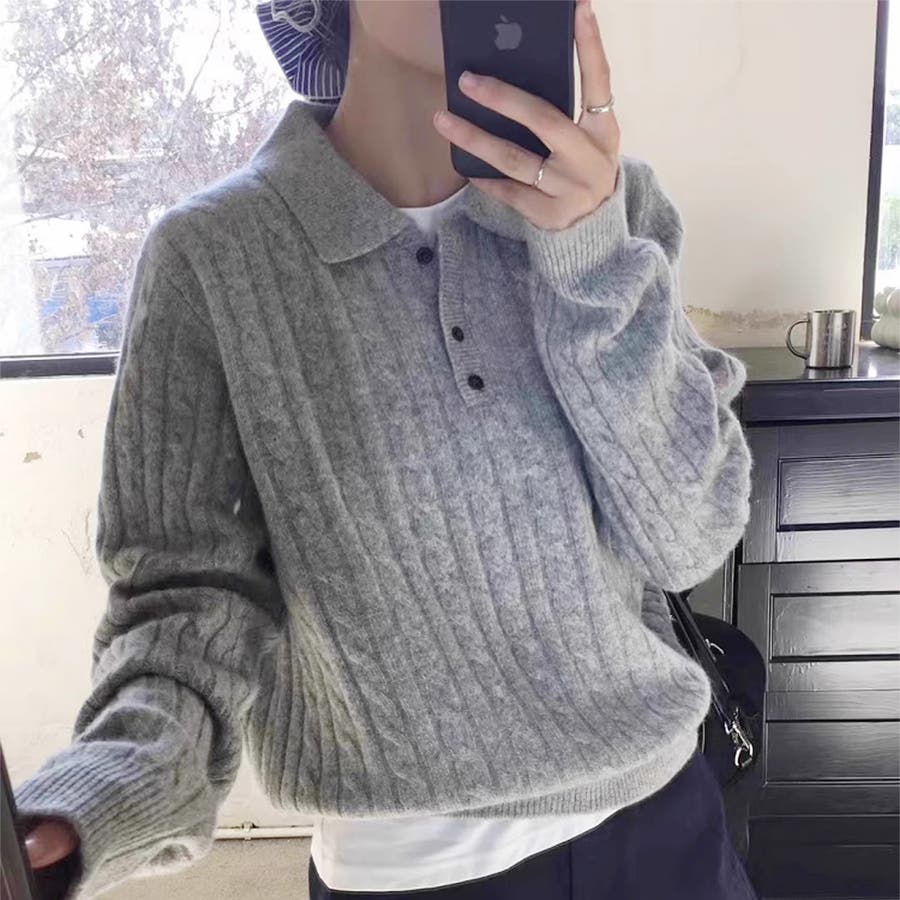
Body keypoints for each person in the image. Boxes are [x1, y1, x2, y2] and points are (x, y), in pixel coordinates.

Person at [14, 0, 759, 898]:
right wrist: (97, 798)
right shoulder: (213, 258)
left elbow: (688, 541)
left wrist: (591, 258)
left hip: (666, 827)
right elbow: (184, 603)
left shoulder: (615, 208)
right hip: (411, 871)